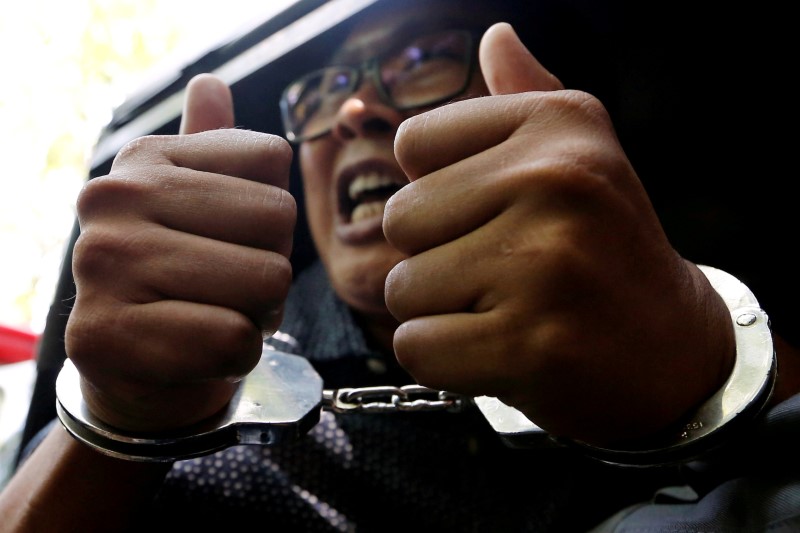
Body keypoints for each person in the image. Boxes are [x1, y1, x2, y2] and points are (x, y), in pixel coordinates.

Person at [1, 0, 798, 530]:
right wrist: (116, 419)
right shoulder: (213, 393)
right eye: (324, 89)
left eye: (418, 59)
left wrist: (699, 367)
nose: (353, 108)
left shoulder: (653, 302)